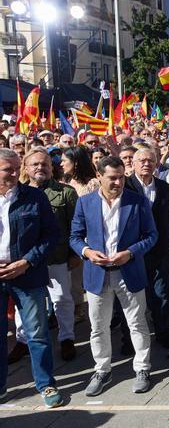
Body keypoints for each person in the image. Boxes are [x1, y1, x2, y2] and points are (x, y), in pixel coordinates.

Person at [70, 156, 158, 396]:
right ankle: (102, 369)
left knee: (137, 323)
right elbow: (75, 237)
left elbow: (151, 236)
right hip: (97, 274)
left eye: (121, 177)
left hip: (128, 272)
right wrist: (87, 252)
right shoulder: (85, 203)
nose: (118, 182)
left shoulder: (137, 202)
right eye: (112, 178)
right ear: (99, 176)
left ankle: (142, 368)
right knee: (98, 326)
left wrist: (129, 253)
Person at [0, 148, 63, 407]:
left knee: (37, 333)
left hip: (27, 275)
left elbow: (51, 236)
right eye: (8, 169)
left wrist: (26, 261)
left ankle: (46, 384)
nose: (15, 174)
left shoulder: (34, 197)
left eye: (17, 168)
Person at [10, 150, 79, 363]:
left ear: (52, 167)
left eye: (45, 164)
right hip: (25, 261)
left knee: (61, 299)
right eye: (35, 164)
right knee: (23, 304)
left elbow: (76, 227)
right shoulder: (16, 194)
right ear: (26, 168)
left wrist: (74, 254)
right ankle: (23, 341)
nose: (40, 168)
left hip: (56, 257)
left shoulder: (65, 193)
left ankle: (66, 338)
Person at [125, 147, 169, 353]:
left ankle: (162, 332)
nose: (146, 164)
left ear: (157, 163)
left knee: (161, 294)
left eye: (150, 160)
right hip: (134, 252)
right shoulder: (126, 186)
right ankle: (130, 338)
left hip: (161, 251)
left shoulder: (164, 187)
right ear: (134, 164)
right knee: (133, 297)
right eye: (142, 161)